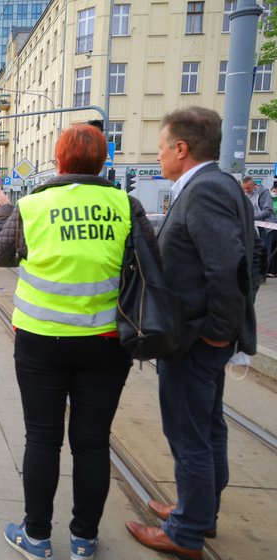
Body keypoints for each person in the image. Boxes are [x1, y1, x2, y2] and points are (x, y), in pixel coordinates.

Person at [0, 124, 158, 560]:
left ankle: (37, 537)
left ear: (59, 161)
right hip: (106, 343)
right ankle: (84, 540)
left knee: (42, 438)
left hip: (40, 341)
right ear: (103, 161)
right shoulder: (126, 204)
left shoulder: (35, 204)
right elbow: (151, 264)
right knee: (92, 441)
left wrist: (5, 211)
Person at [125, 107, 257, 560]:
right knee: (207, 427)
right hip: (203, 335)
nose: (158, 155)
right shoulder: (219, 187)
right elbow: (247, 259)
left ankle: (186, 532)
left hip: (197, 339)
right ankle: (200, 513)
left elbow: (228, 267)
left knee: (190, 435)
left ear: (181, 149)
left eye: (161, 147)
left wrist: (218, 334)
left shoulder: (204, 191)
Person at [240, 176, 275, 284]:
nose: (246, 191)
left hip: (266, 226)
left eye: (248, 188)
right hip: (253, 225)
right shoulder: (244, 194)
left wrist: (252, 216)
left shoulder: (263, 192)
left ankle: (262, 275)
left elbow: (268, 210)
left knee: (264, 250)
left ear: (254, 186)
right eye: (244, 188)